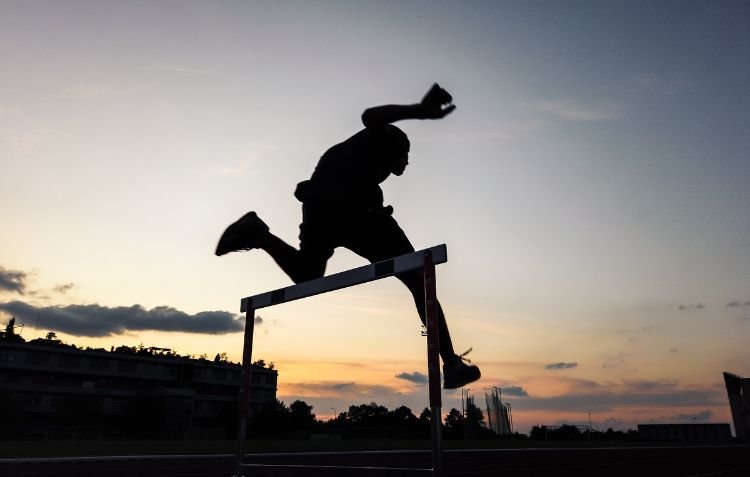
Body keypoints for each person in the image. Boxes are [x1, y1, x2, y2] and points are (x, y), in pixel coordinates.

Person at [216, 83, 480, 389]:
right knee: (419, 279)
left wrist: (373, 206)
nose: (406, 166)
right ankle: (451, 363)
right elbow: (371, 116)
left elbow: (354, 174)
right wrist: (419, 111)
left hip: (322, 206)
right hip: (349, 209)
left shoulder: (358, 164)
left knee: (307, 273)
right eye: (406, 160)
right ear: (401, 152)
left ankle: (258, 235)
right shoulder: (390, 141)